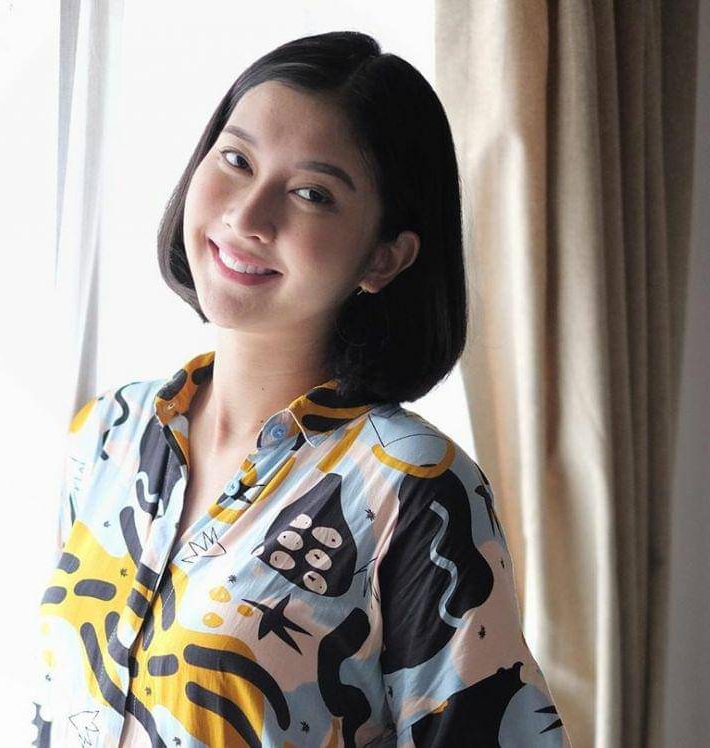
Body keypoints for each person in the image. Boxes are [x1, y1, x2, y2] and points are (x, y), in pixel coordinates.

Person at [32, 30, 571, 748]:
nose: (248, 217)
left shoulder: (410, 486)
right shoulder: (110, 433)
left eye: (312, 194)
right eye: (236, 160)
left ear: (384, 258)